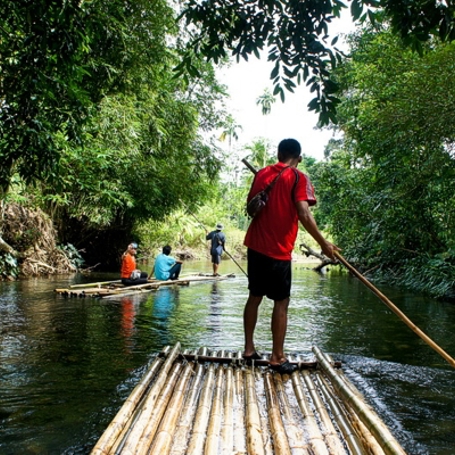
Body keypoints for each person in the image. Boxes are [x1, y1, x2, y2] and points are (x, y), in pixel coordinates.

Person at [243, 138, 340, 374]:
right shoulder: (298, 177)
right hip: (278, 250)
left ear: (278, 154)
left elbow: (250, 205)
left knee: (254, 296)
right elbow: (304, 213)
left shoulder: (263, 174)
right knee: (281, 302)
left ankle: (248, 350)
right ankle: (277, 356)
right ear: (299, 157)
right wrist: (324, 244)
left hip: (255, 245)